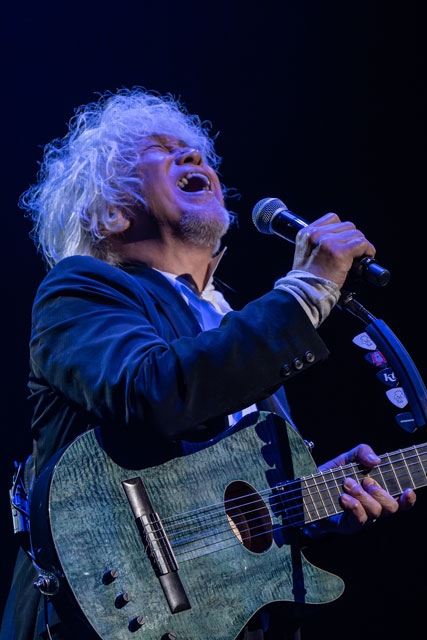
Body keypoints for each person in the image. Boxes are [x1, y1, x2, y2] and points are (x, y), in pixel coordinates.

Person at [0, 86, 416, 640]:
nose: (195, 156)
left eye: (195, 151)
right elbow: (152, 391)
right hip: (104, 618)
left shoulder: (234, 325)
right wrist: (305, 291)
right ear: (112, 212)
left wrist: (311, 499)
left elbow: (218, 511)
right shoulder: (80, 289)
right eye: (162, 151)